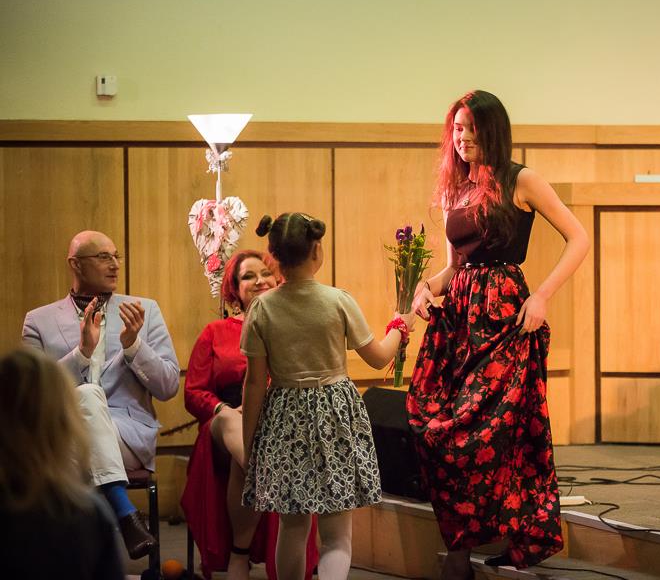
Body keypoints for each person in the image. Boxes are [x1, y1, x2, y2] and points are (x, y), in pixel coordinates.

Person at [407, 90, 588, 578]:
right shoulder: (456, 188)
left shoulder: (521, 179)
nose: (462, 138)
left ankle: (504, 539)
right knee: (435, 426)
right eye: (457, 129)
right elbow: (454, 267)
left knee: (493, 431)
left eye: (471, 128)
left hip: (505, 315)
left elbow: (579, 237)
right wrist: (426, 287)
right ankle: (462, 547)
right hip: (460, 318)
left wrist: (542, 295)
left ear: (492, 131)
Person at [240, 212, 418, 580]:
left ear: (274, 256)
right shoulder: (338, 300)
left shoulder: (261, 308)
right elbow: (379, 357)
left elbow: (254, 384)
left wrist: (249, 443)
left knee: (292, 527)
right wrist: (400, 327)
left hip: (284, 417)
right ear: (316, 251)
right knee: (336, 535)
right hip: (335, 414)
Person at [21, 230, 180, 560]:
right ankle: (125, 513)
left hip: (126, 436)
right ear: (75, 264)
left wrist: (133, 346)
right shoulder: (39, 321)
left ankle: (62, 558)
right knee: (87, 396)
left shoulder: (143, 311)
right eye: (103, 257)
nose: (115, 265)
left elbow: (168, 386)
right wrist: (81, 353)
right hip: (62, 436)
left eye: (116, 256)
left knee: (87, 399)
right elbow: (31, 396)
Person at [181, 249, 319, 580]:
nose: (259, 281)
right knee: (235, 424)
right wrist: (224, 408)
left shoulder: (292, 326)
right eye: (248, 276)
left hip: (277, 421)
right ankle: (278, 480)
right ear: (234, 289)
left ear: (278, 278)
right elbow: (193, 392)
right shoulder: (214, 331)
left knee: (248, 454)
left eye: (265, 273)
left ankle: (238, 556)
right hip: (225, 418)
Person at [0, 348, 124, 580]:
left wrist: (133, 347)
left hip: (123, 431)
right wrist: (82, 353)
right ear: (63, 422)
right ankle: (123, 507)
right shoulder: (90, 515)